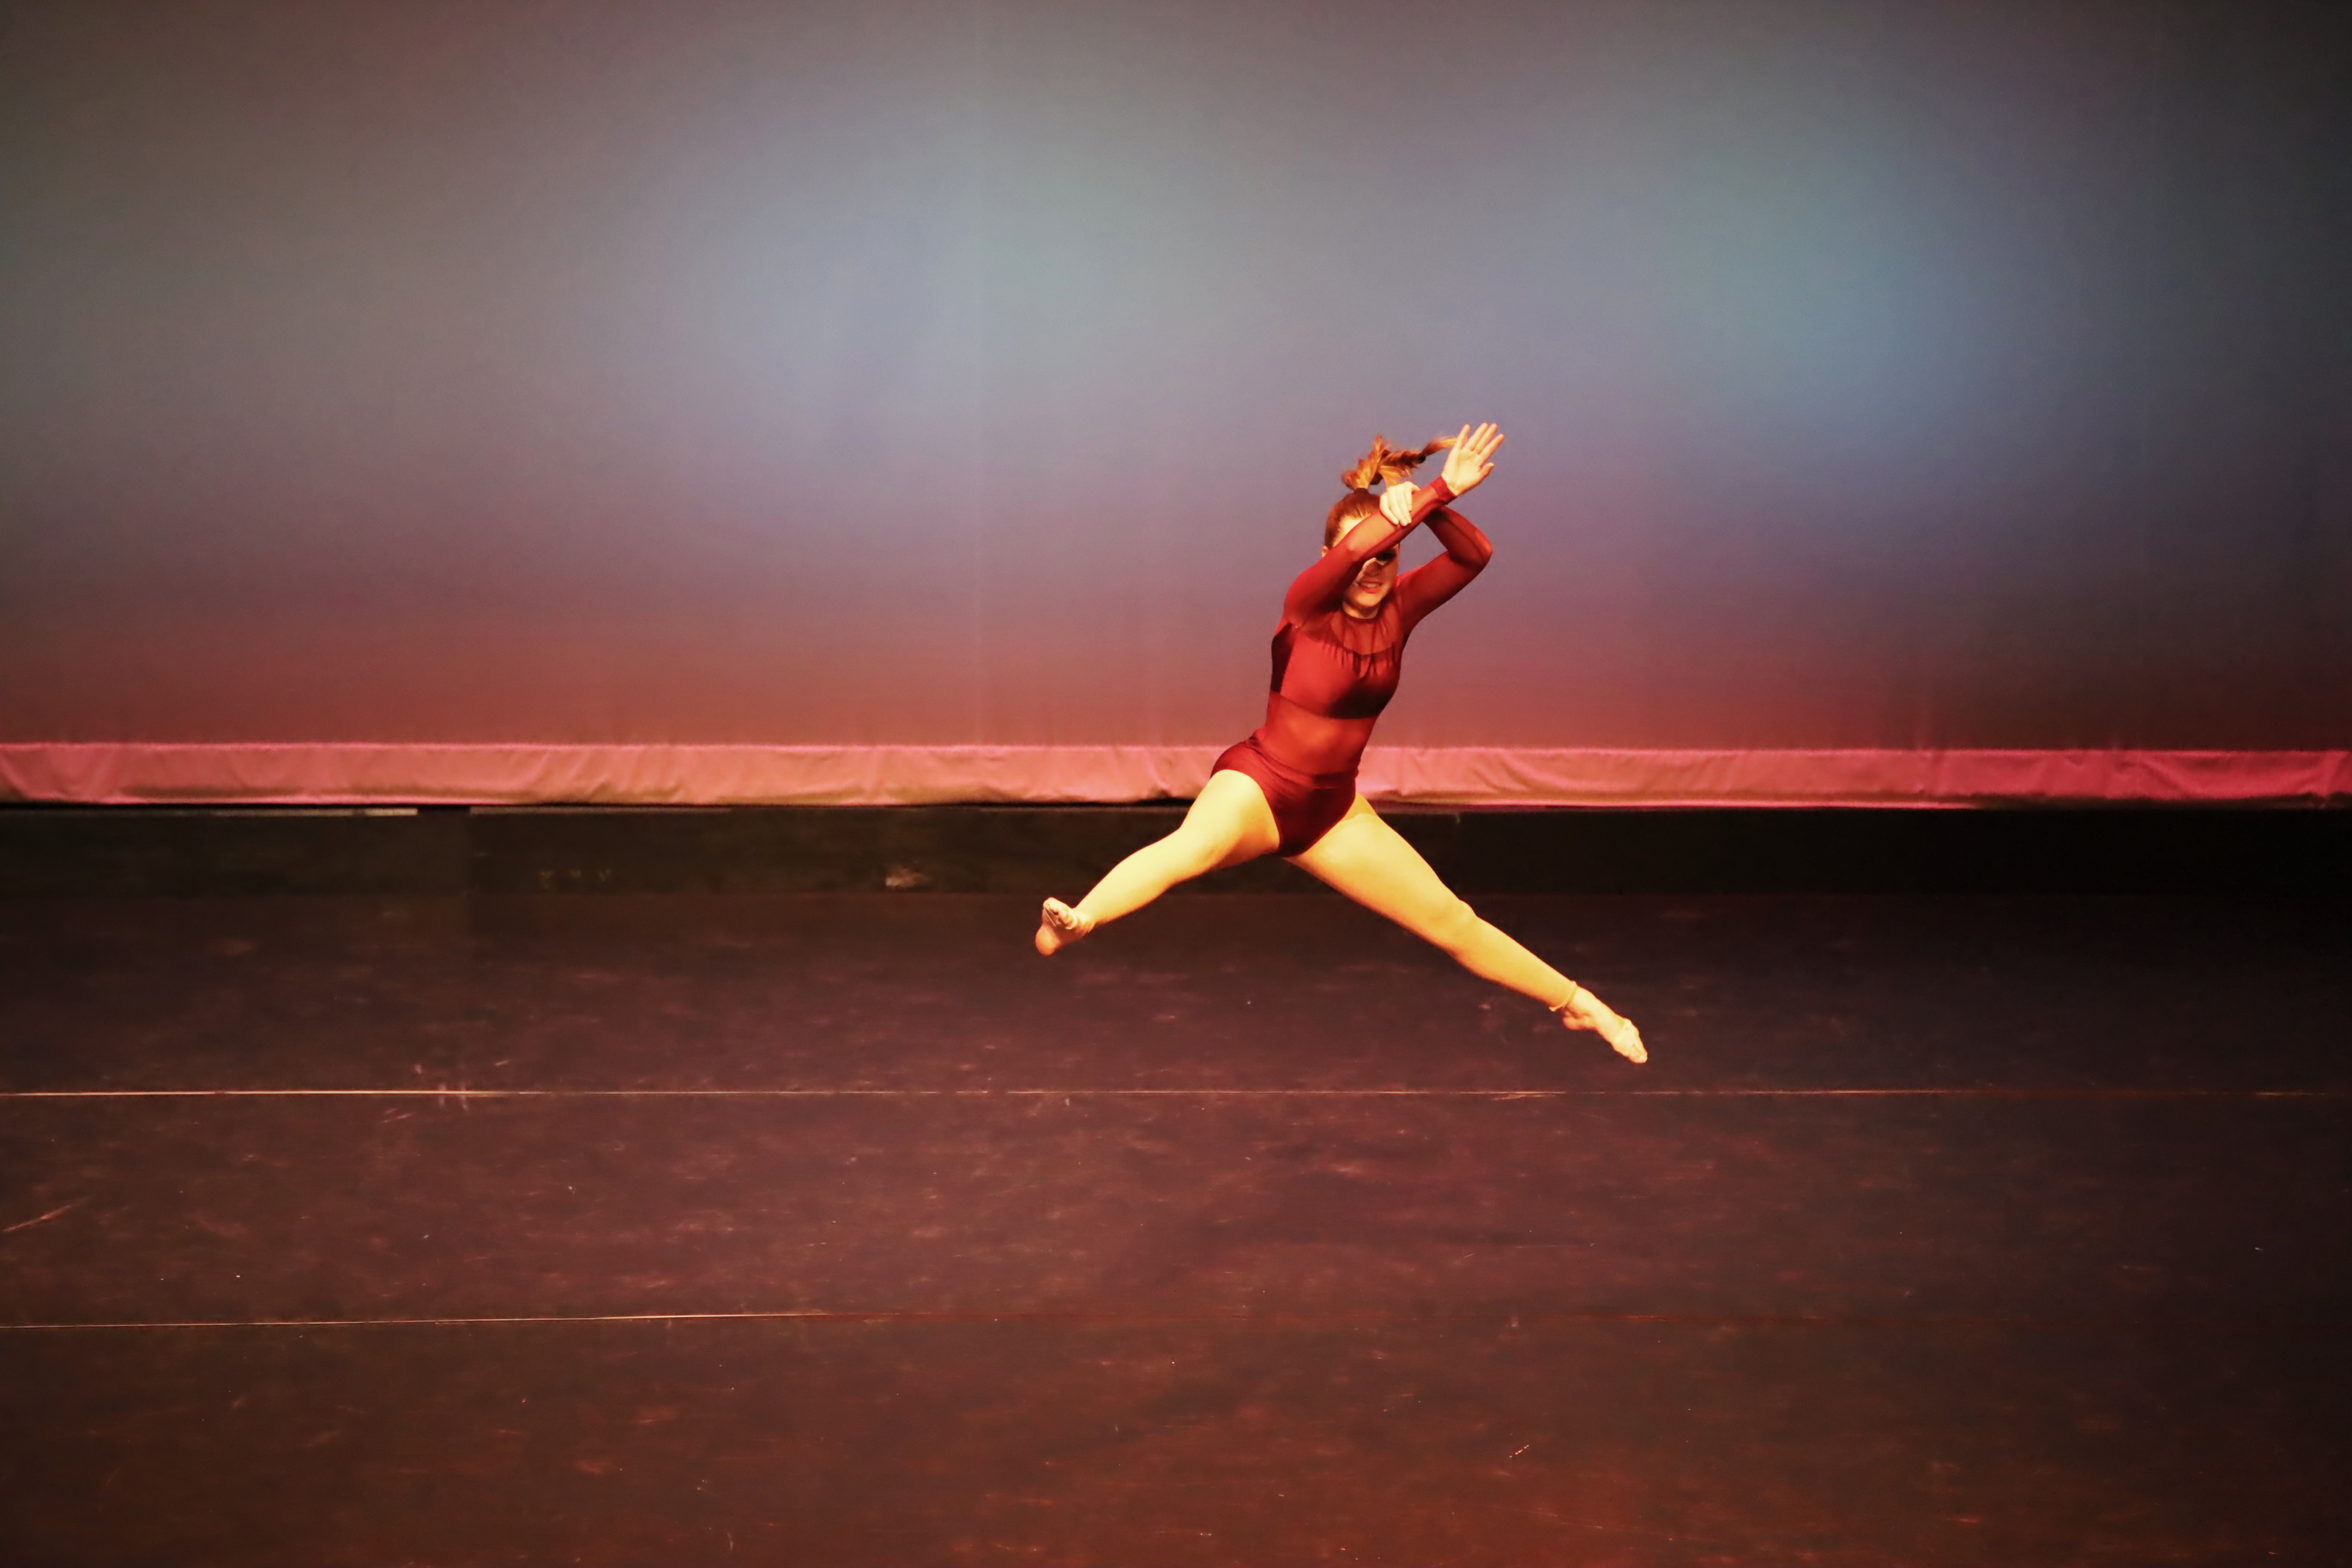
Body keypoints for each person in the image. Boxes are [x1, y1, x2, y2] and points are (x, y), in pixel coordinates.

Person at [1034, 422, 1646, 1064]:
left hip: (1334, 812)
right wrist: (1429, 494)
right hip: (1259, 786)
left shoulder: (1401, 609)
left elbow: (1474, 557)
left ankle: (1581, 1005)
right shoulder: (1304, 608)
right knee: (1193, 848)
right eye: (1364, 556)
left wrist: (1430, 507)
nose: (1375, 568)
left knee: (1452, 921)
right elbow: (1357, 549)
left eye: (1390, 555)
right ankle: (1082, 920)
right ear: (1331, 557)